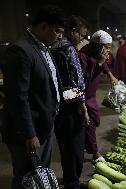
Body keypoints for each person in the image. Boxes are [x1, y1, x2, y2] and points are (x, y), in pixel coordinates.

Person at [1, 6, 64, 189]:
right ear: (44, 27)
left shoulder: (42, 48)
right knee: (26, 178)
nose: (60, 36)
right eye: (57, 31)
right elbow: (17, 97)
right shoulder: (20, 51)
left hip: (43, 125)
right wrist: (29, 134)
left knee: (39, 176)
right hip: (28, 132)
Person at [52, 15, 89, 189]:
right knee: (75, 145)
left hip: (59, 102)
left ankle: (69, 180)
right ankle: (73, 182)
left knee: (65, 144)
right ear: (73, 32)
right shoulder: (68, 49)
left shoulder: (53, 46)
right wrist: (82, 106)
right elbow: (75, 80)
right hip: (71, 103)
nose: (81, 39)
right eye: (81, 35)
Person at [78, 30, 117, 163]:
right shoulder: (83, 56)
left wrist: (110, 74)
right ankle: (95, 153)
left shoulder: (96, 53)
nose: (108, 51)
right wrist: (99, 63)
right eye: (106, 47)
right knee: (90, 124)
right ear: (98, 46)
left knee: (94, 120)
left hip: (92, 95)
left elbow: (105, 64)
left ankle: (85, 144)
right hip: (84, 96)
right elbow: (84, 79)